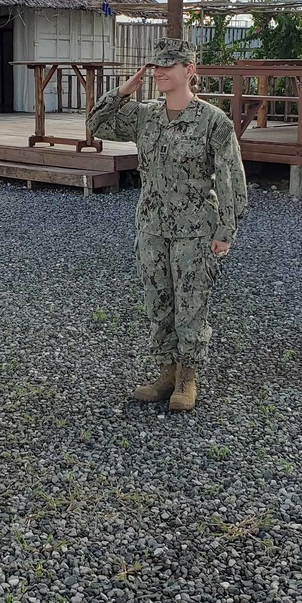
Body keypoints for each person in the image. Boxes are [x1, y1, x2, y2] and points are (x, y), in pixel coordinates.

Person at [88, 37, 247, 412]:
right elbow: (97, 123)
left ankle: (187, 379)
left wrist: (226, 231)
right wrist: (127, 87)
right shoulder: (145, 114)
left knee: (191, 304)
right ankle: (165, 374)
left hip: (196, 229)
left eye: (167, 66)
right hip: (152, 227)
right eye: (155, 66)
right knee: (158, 301)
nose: (158, 72)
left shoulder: (213, 121)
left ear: (189, 70)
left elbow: (231, 180)